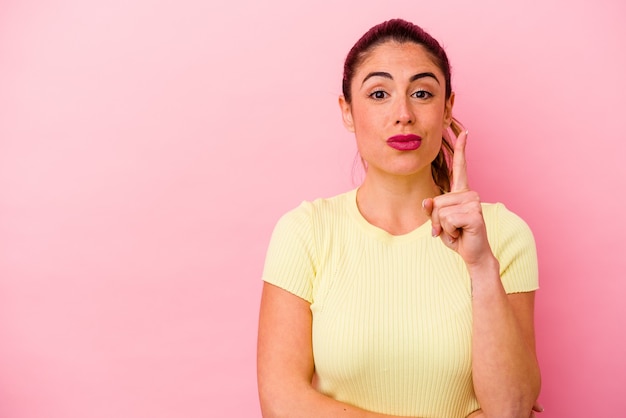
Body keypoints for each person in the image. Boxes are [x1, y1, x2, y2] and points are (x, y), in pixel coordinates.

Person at [257, 18, 542, 418]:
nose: (403, 113)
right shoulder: (305, 232)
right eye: (378, 93)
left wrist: (480, 266)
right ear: (347, 112)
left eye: (422, 93)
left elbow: (511, 408)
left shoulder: (504, 234)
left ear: (447, 109)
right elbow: (281, 402)